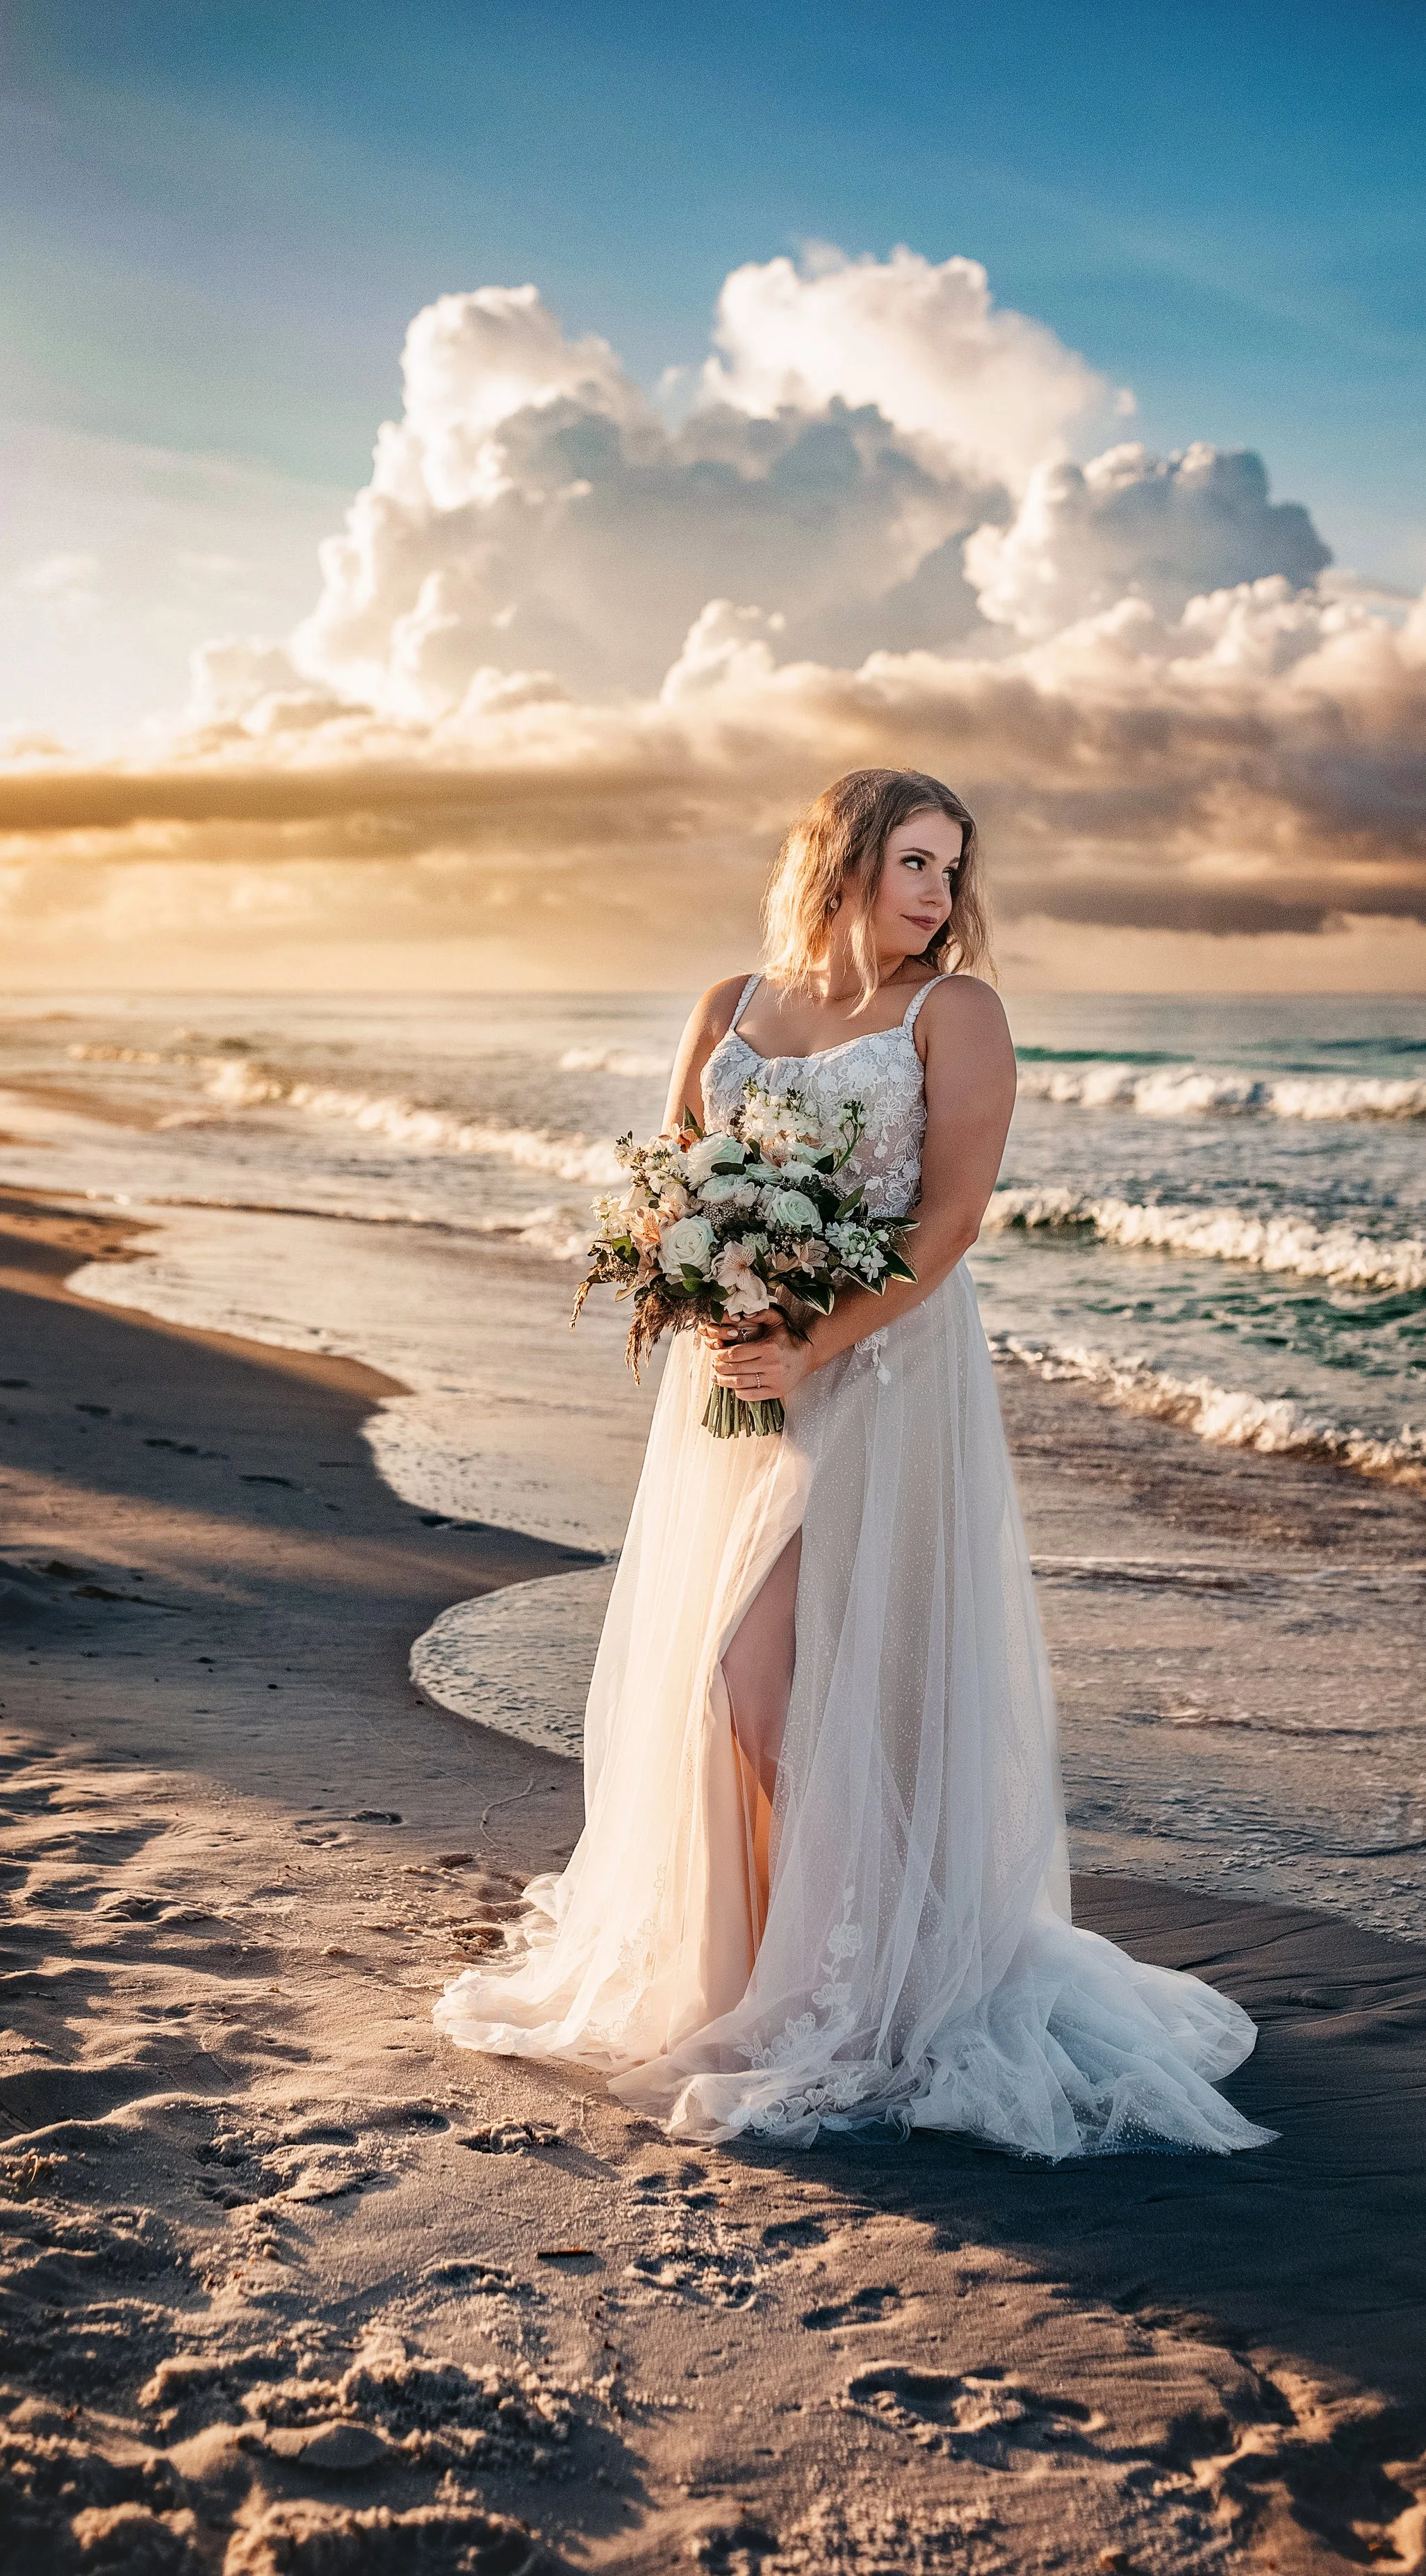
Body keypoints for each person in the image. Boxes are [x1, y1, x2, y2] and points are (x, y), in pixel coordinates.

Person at [434, 769, 1274, 2159]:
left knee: (793, 1678)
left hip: (882, 1374)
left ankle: (834, 1991)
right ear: (842, 861)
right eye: (915, 864)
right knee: (753, 1684)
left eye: (952, 870)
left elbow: (946, 1226)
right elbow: (675, 1182)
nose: (940, 897)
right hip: (746, 1373)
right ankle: (775, 1967)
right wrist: (713, 1297)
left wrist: (811, 1341)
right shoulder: (733, 1006)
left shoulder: (956, 1013)